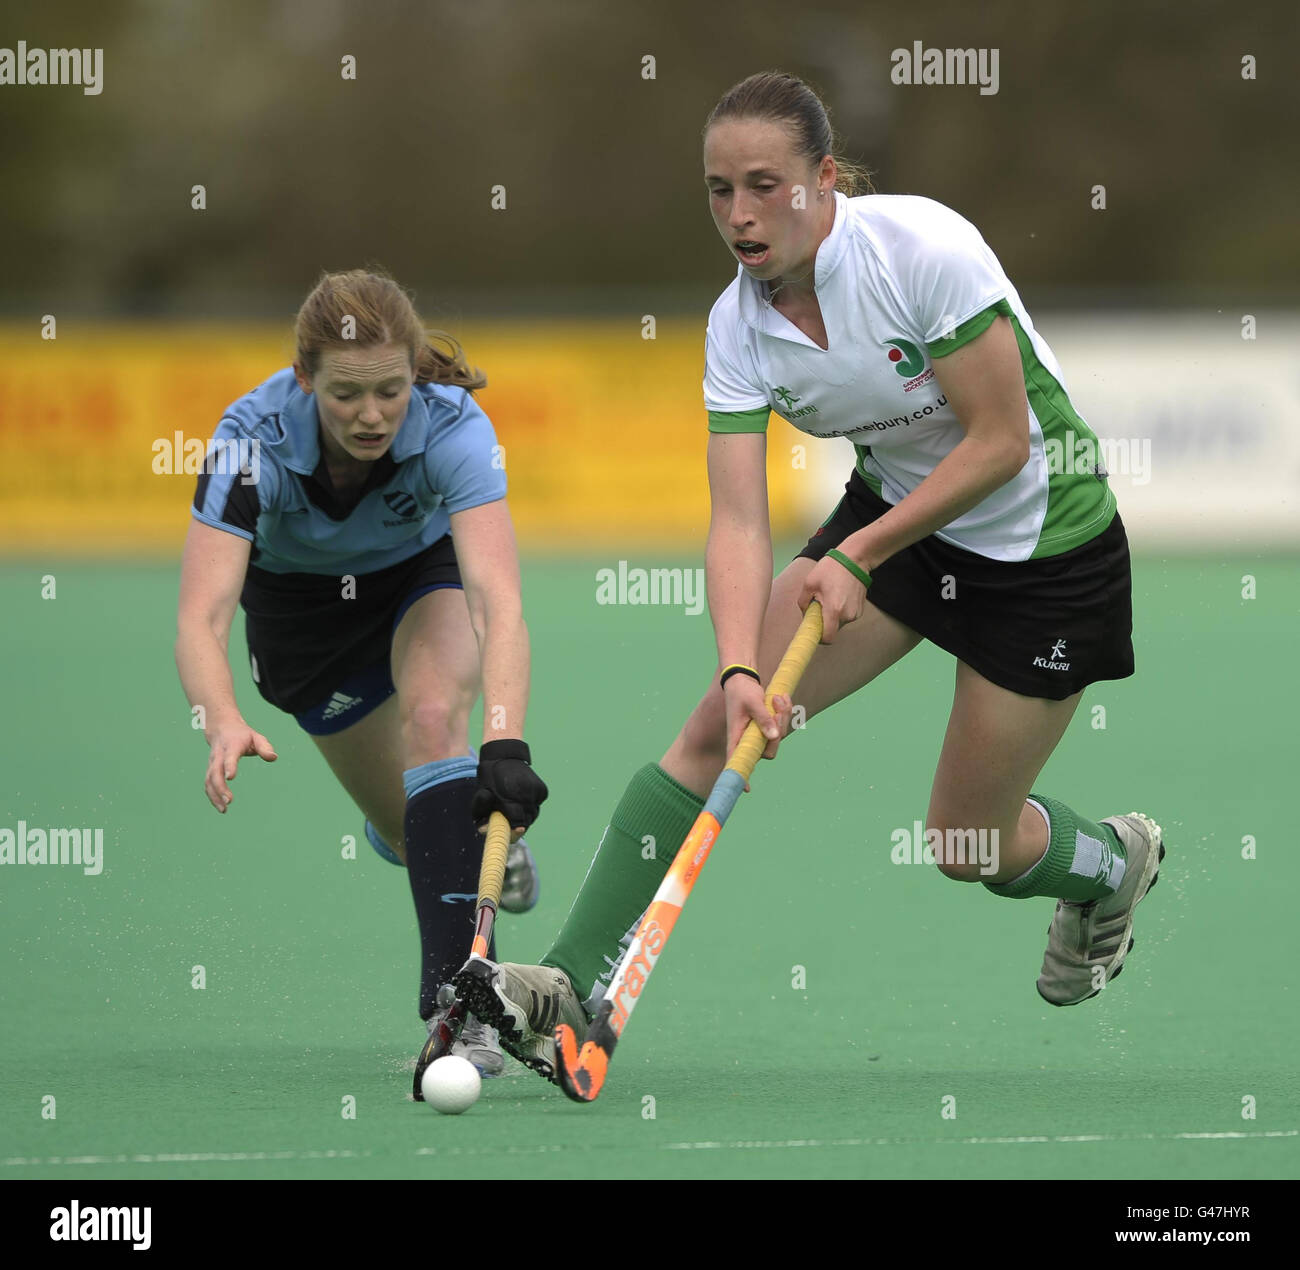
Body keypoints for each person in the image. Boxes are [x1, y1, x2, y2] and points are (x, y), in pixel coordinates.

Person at [454, 71, 1163, 1081]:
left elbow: (1002, 441)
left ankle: (1107, 863)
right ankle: (568, 982)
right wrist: (740, 666)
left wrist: (857, 556)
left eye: (763, 185)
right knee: (715, 724)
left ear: (823, 178)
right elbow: (739, 520)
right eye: (716, 190)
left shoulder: (919, 249)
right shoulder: (736, 327)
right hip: (899, 528)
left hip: (1044, 550)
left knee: (965, 843)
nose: (739, 214)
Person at [174, 269, 549, 1084]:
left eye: (391, 390)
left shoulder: (453, 428)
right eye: (347, 395)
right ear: (305, 379)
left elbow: (497, 599)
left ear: (416, 370)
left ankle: (460, 1011)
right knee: (420, 830)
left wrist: (505, 743)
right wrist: (221, 717)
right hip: (302, 619)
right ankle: (445, 833)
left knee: (433, 724)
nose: (372, 415)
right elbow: (202, 616)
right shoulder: (250, 440)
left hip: (420, 575)